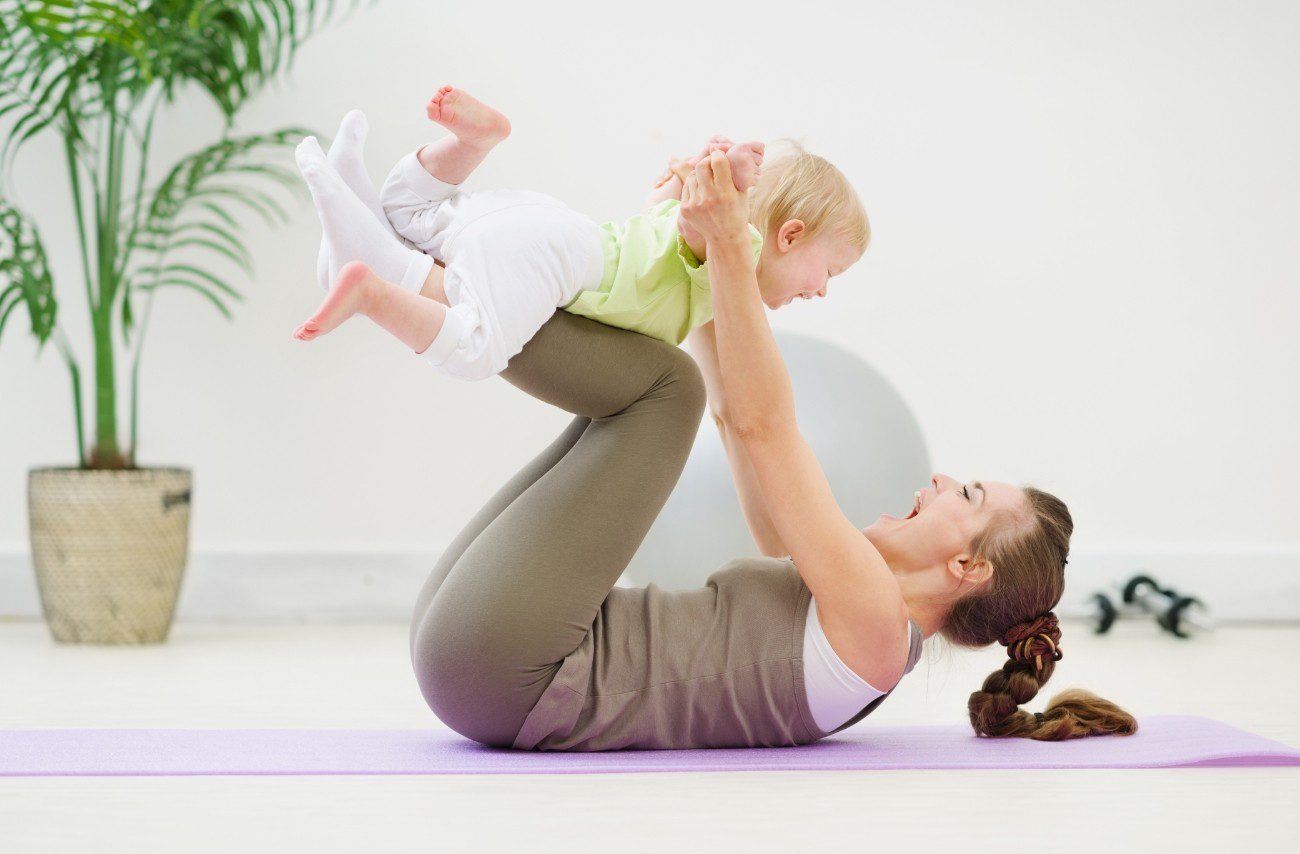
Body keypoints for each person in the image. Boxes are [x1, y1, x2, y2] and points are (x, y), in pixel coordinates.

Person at [395, 151, 1139, 749]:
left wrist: (724, 240)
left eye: (969, 497)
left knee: (663, 391)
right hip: (484, 651)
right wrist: (710, 249)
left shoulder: (878, 627)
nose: (944, 480)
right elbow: (734, 419)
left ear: (966, 569)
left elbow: (764, 426)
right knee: (658, 384)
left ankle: (433, 283)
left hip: (512, 672)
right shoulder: (847, 606)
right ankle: (425, 281)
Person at [290, 89, 865, 382]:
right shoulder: (736, 248)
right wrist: (730, 181)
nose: (821, 292)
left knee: (408, 215)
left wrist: (690, 172)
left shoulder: (697, 249)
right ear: (789, 235)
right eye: (831, 273)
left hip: (543, 222)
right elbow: (697, 229)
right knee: (471, 349)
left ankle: (466, 146)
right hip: (555, 260)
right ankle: (372, 289)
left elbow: (658, 216)